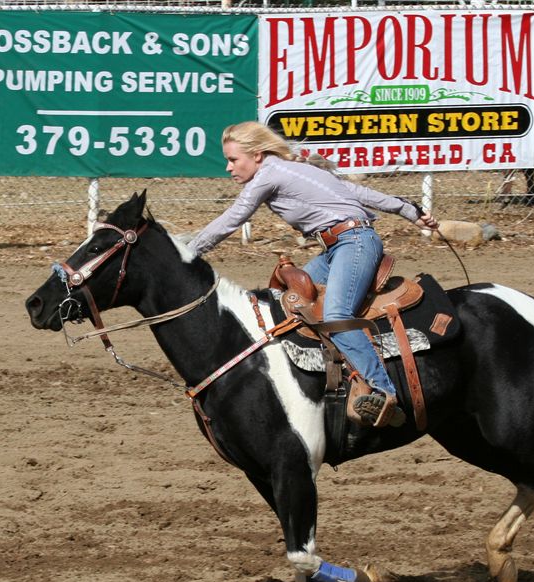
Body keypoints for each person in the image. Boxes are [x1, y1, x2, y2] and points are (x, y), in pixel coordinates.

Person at [188, 122, 439, 428]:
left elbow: (234, 217)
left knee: (336, 314)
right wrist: (409, 210)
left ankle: (384, 393)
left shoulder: (269, 175)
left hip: (354, 243)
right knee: (288, 303)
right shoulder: (295, 168)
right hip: (338, 246)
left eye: (233, 159)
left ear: (256, 155)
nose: (228, 167)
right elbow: (355, 190)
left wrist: (189, 252)